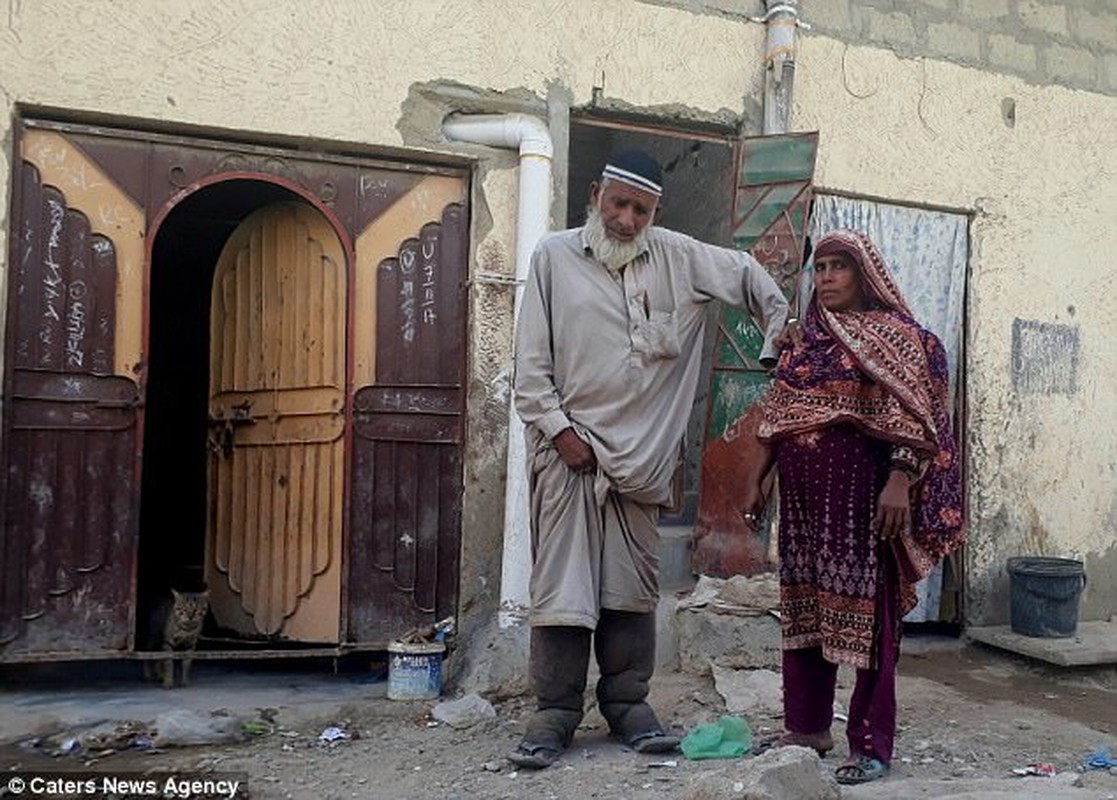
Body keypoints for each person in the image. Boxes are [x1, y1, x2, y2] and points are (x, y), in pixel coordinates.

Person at [509, 149, 790, 769]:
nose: (628, 220)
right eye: (619, 204)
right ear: (595, 197)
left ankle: (628, 707)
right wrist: (560, 434)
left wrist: (779, 329)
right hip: (569, 457)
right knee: (564, 589)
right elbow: (529, 371)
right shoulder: (554, 256)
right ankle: (553, 713)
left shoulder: (679, 257)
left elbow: (747, 274)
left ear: (654, 213)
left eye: (642, 210)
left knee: (631, 592)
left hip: (641, 468)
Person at [739, 228, 964, 784]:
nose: (827, 278)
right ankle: (808, 726)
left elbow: (920, 422)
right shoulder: (806, 341)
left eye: (839, 267)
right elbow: (780, 416)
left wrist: (899, 479)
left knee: (871, 624)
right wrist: (757, 478)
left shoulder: (905, 341)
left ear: (866, 275)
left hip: (867, 503)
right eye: (819, 269)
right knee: (805, 611)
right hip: (803, 509)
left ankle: (870, 744)